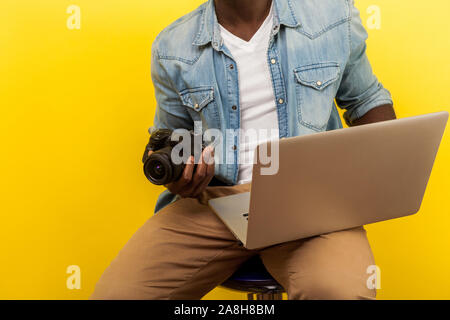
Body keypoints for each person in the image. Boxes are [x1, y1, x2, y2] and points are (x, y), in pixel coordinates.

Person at [91, 0, 395, 300]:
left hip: (312, 200)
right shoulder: (172, 47)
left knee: (339, 293)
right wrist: (180, 177)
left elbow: (367, 101)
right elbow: (172, 138)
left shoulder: (332, 15)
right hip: (214, 202)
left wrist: (378, 165)